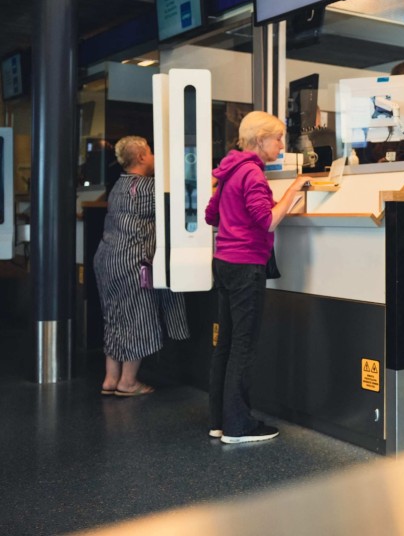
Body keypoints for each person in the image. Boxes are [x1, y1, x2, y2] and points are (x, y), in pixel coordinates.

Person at [205, 111, 310, 444]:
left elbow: (212, 215)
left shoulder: (230, 170)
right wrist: (294, 189)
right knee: (243, 347)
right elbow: (266, 221)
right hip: (246, 265)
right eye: (277, 138)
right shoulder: (252, 173)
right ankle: (238, 426)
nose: (281, 144)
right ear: (260, 139)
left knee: (226, 344)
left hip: (223, 262)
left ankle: (219, 420)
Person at [94, 136, 189, 397]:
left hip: (106, 259)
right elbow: (181, 201)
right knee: (137, 318)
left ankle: (110, 379)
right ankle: (128, 382)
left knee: (113, 319)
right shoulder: (148, 188)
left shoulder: (118, 186)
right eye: (151, 151)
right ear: (141, 157)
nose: (154, 156)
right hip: (131, 262)